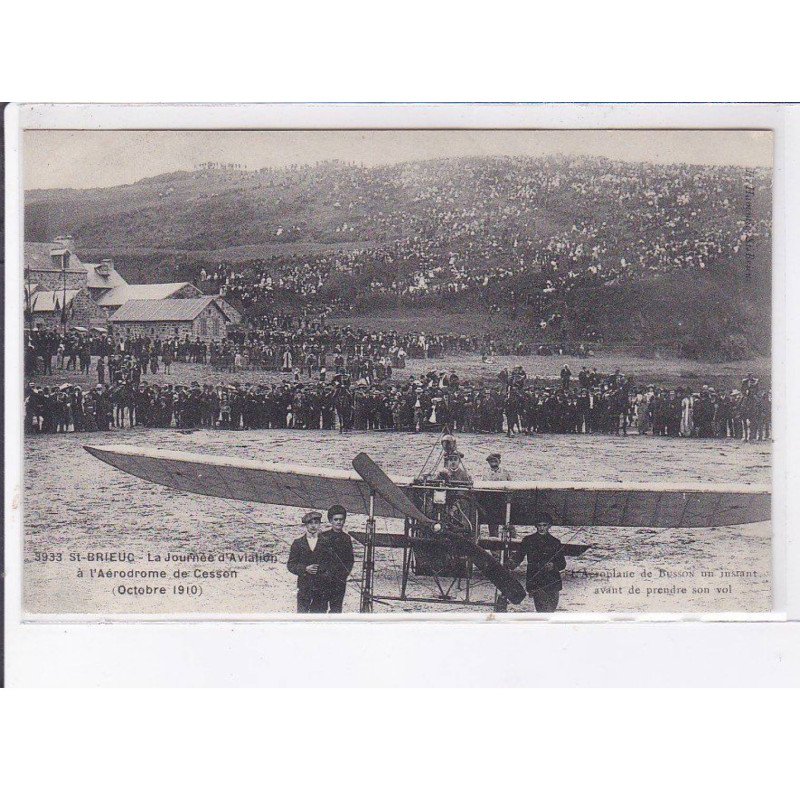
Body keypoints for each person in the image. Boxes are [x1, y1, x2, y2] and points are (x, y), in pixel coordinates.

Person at [517, 513, 566, 612]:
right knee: (543, 611)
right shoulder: (528, 540)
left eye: (544, 525)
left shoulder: (555, 542)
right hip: (536, 581)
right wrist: (511, 562)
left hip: (553, 582)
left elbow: (562, 563)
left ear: (549, 526)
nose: (542, 528)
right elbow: (519, 556)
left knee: (551, 611)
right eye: (539, 525)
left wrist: (553, 566)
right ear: (536, 526)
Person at [287, 510, 329, 612]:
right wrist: (305, 569)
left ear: (320, 524)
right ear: (306, 525)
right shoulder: (298, 543)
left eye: (316, 523)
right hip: (304, 587)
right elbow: (291, 565)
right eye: (310, 523)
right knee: (302, 617)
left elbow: (331, 563)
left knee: (319, 618)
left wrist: (322, 570)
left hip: (321, 587)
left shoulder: (326, 543)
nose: (313, 526)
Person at [316, 505, 355, 613]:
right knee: (320, 608)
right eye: (336, 519)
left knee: (336, 609)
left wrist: (343, 574)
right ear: (330, 521)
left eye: (341, 519)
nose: (338, 522)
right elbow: (317, 557)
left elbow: (350, 560)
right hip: (324, 579)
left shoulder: (346, 538)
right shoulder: (323, 536)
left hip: (339, 580)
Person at [484, 453, 511, 536]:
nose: (493, 463)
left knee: (509, 525)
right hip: (491, 503)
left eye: (495, 461)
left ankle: (512, 546)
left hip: (504, 502)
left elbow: (511, 486)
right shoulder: (486, 474)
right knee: (492, 527)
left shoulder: (505, 473)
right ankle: (494, 547)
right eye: (491, 461)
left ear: (499, 461)